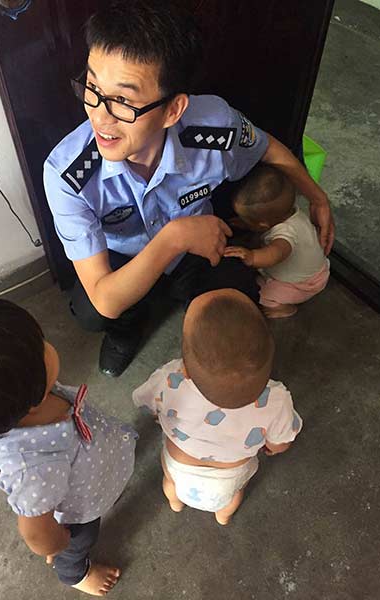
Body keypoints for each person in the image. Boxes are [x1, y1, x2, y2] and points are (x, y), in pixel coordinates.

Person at [43, 0, 334, 377]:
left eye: (123, 101)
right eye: (93, 87)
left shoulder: (212, 127)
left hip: (199, 247)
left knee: (237, 290)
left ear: (173, 110)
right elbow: (105, 297)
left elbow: (268, 149)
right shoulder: (69, 173)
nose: (99, 115)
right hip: (128, 256)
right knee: (92, 310)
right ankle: (128, 331)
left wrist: (316, 196)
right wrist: (175, 236)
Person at [0, 299, 137, 596]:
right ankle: (75, 573)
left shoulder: (23, 398)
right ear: (29, 395)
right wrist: (57, 542)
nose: (48, 342)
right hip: (79, 514)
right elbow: (35, 532)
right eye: (41, 344)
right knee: (79, 543)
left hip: (93, 468)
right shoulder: (33, 467)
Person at [133, 289, 302, 525]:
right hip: (229, 477)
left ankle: (175, 503)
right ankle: (223, 516)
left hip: (179, 464)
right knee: (230, 498)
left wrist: (157, 414)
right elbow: (281, 442)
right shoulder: (276, 401)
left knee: (171, 484)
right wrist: (273, 446)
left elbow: (144, 401)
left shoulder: (171, 379)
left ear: (185, 368)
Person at [225, 164, 330, 318]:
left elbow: (277, 252)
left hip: (301, 285)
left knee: (260, 293)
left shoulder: (284, 234)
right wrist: (248, 222)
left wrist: (252, 257)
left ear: (262, 224)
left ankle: (284, 307)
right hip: (320, 270)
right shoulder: (290, 212)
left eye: (247, 219)